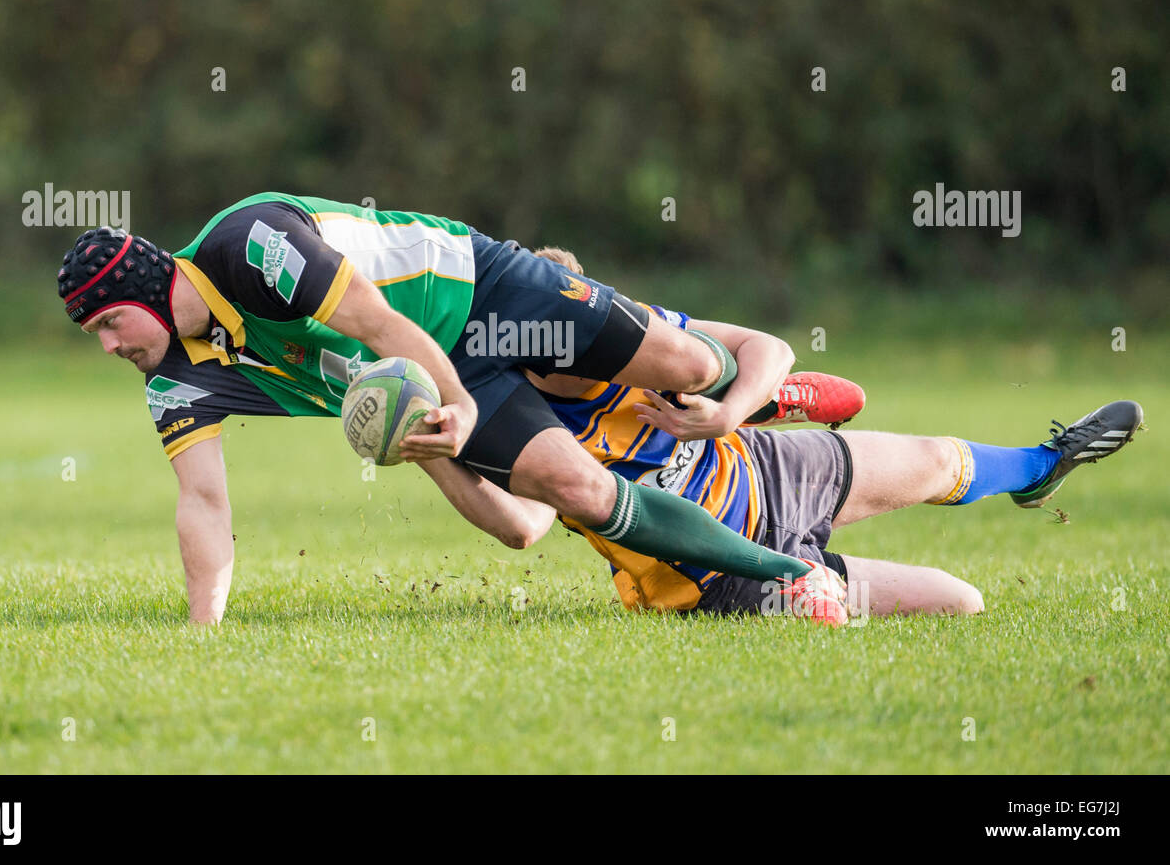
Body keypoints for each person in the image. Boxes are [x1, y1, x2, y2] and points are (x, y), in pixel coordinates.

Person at [59, 193, 849, 623]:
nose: (106, 346)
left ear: (144, 288)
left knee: (677, 361)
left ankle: (759, 388)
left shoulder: (250, 244)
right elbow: (202, 500)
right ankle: (790, 576)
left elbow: (382, 325)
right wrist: (204, 638)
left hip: (480, 288)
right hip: (440, 378)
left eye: (106, 324)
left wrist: (459, 401)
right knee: (578, 493)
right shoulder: (173, 379)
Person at [417, 245, 1145, 621]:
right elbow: (521, 526)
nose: (600, 350)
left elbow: (771, 344)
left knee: (932, 458)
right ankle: (803, 567)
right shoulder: (522, 419)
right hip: (718, 578)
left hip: (767, 464)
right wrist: (428, 456)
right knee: (963, 600)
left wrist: (729, 411)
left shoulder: (631, 334)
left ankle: (1043, 464)